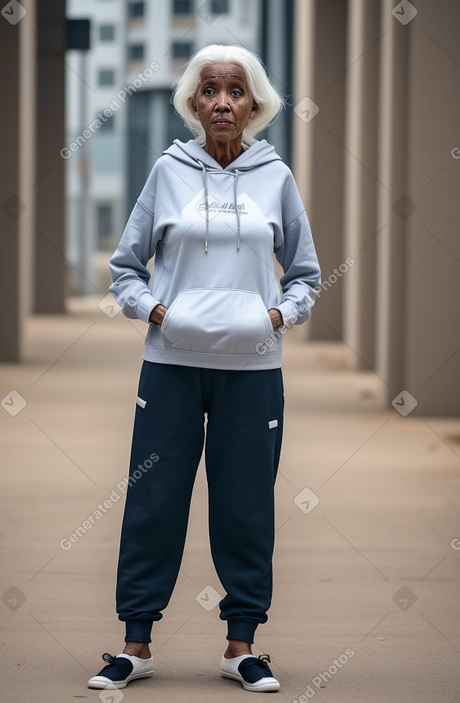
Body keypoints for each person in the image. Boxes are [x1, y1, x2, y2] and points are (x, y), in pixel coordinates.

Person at [88, 44, 321, 694]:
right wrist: (157, 312)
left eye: (236, 91)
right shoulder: (168, 172)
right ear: (193, 103)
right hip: (170, 364)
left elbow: (304, 275)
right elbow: (125, 268)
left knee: (246, 506)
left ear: (255, 105)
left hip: (252, 368)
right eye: (211, 90)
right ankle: (135, 645)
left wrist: (273, 319)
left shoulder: (276, 176)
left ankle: (241, 645)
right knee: (153, 500)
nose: (223, 101)